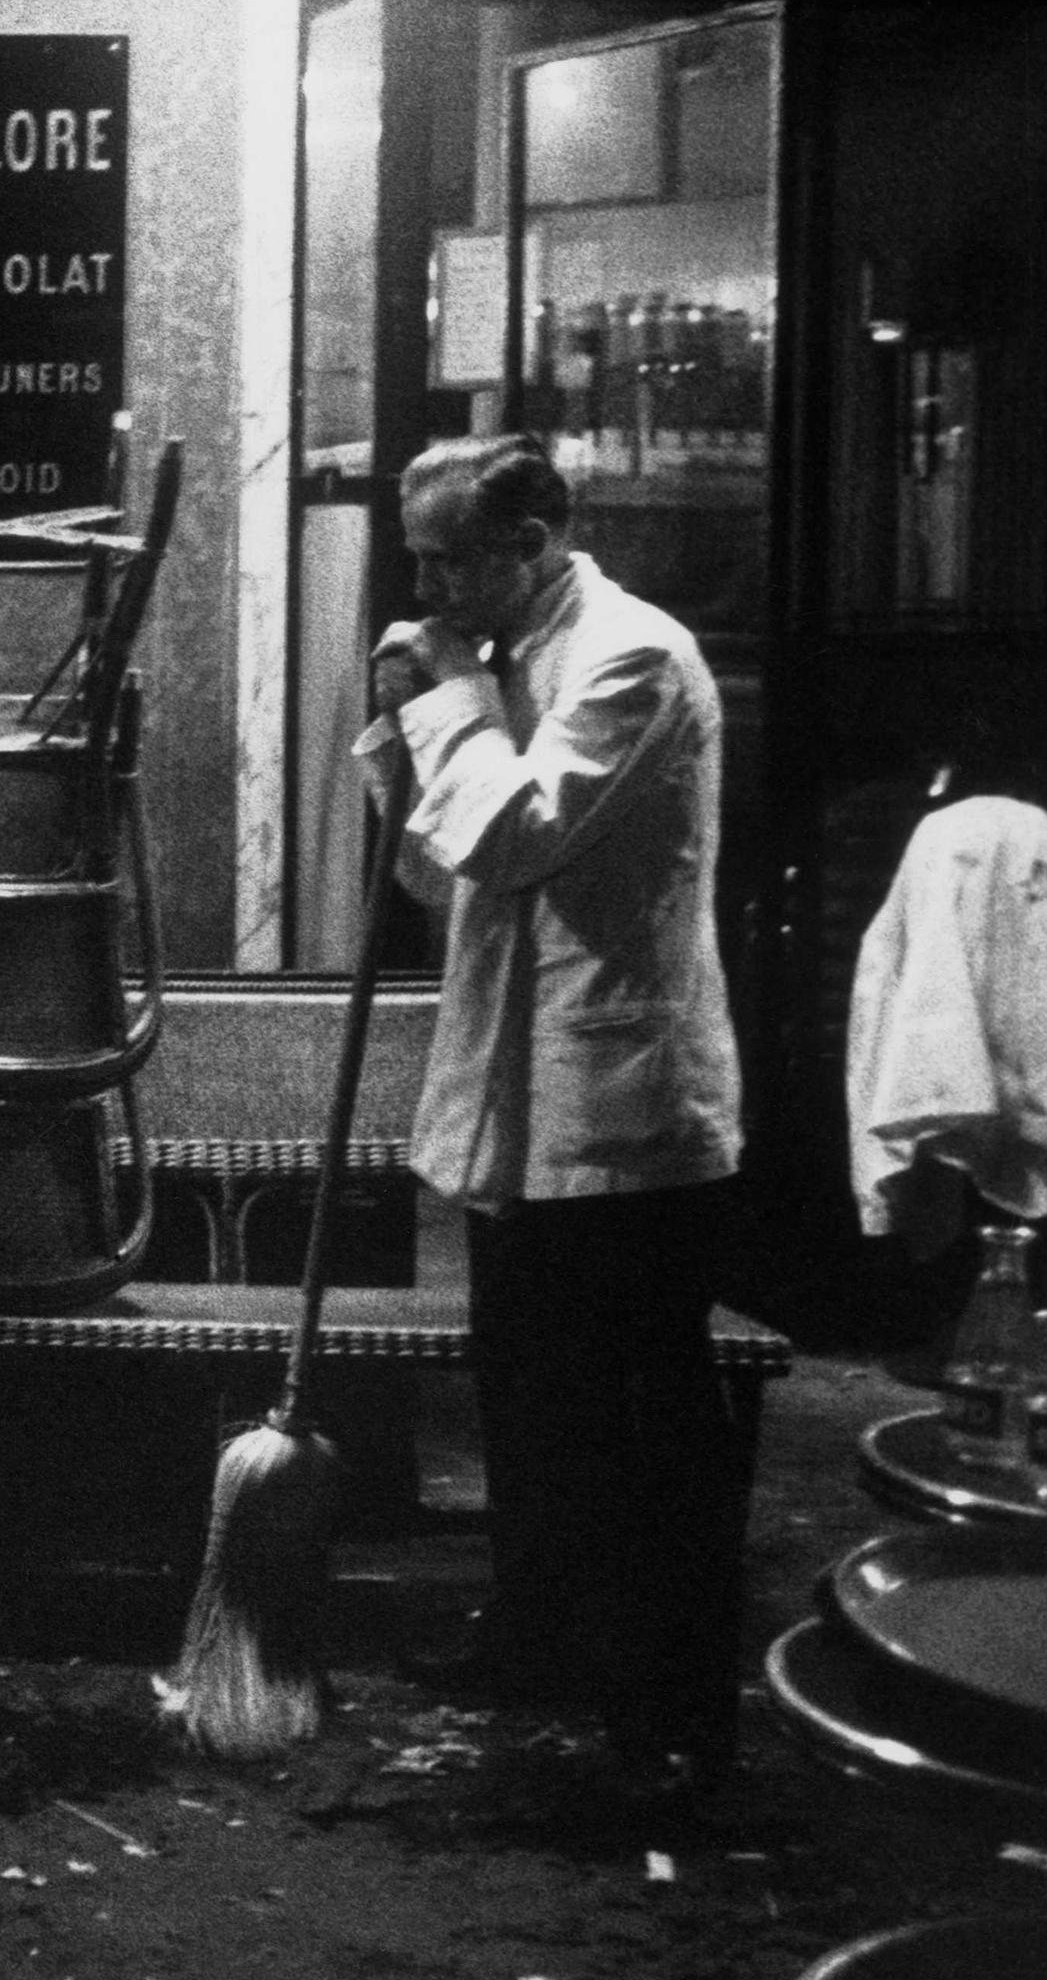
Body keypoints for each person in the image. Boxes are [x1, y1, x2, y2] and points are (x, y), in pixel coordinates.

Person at [356, 434, 748, 1792]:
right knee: (527, 1394)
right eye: (417, 560)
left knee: (645, 1418)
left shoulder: (635, 657)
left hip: (623, 1110)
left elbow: (520, 833)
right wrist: (407, 731)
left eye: (450, 559)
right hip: (516, 1099)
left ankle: (672, 1708)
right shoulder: (506, 660)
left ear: (531, 543)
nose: (429, 587)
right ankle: (537, 1634)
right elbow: (439, 870)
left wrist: (455, 702)